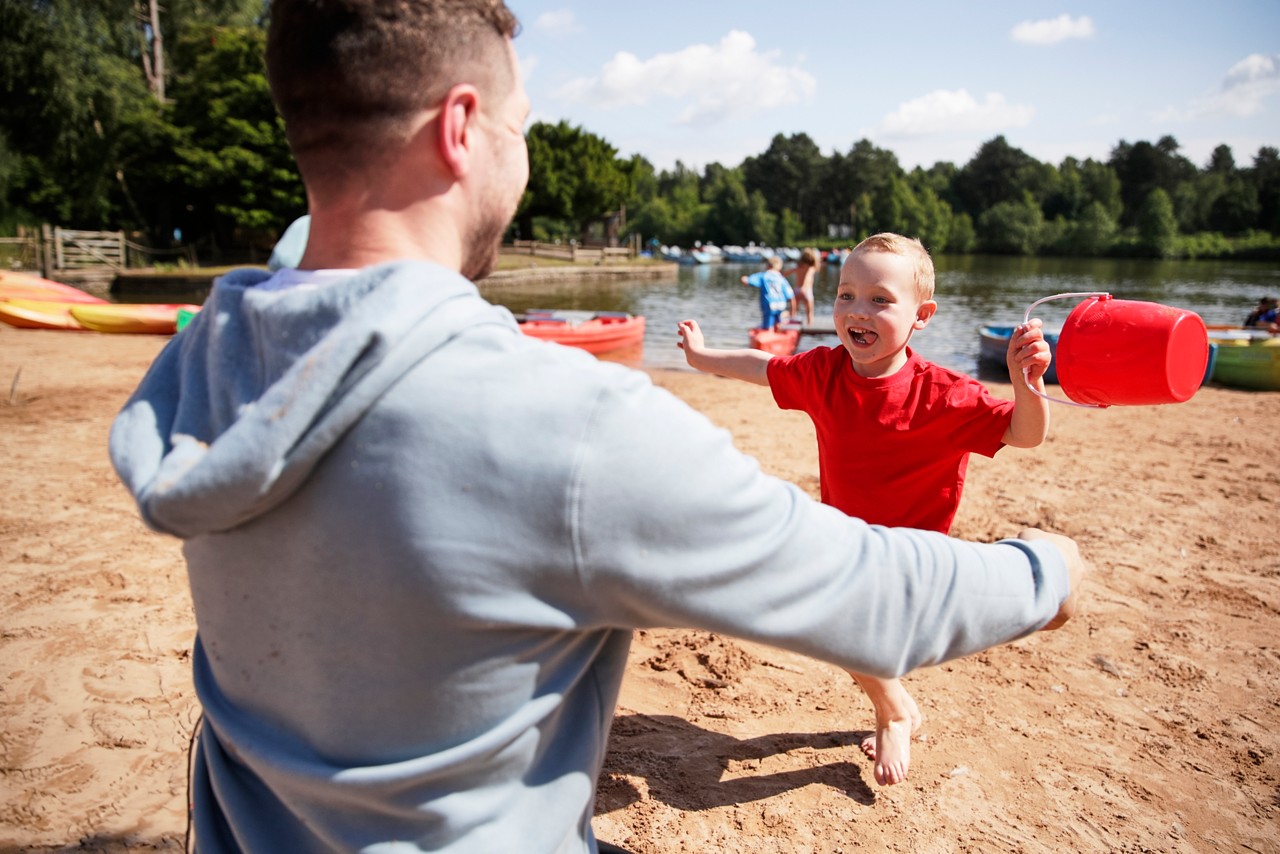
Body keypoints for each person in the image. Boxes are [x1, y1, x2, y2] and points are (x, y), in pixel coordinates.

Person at [108, 3, 1084, 850]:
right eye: (520, 126)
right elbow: (876, 604)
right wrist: (1044, 569)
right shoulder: (570, 428)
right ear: (461, 127)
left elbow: (309, 256)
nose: (524, 158)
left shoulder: (204, 364)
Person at [677, 232, 1053, 787]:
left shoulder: (945, 395)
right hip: (848, 546)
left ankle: (896, 711)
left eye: (880, 300)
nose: (858, 310)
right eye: (847, 295)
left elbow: (1024, 435)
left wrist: (1028, 383)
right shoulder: (824, 372)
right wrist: (702, 355)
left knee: (849, 632)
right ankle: (896, 707)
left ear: (922, 316)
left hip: (916, 557)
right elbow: (761, 366)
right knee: (831, 621)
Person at [742, 255, 796, 330]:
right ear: (779, 267)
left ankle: (768, 334)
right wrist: (792, 314)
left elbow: (748, 281)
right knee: (777, 323)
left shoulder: (763, 276)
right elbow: (791, 297)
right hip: (781, 304)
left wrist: (744, 279)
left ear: (767, 266)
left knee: (768, 327)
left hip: (770, 304)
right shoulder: (781, 279)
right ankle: (778, 334)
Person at [782, 247, 820, 327]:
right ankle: (810, 326)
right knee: (809, 312)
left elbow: (785, 274)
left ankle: (784, 319)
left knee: (793, 311)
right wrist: (804, 287)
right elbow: (808, 277)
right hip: (806, 291)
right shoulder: (811, 268)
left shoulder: (798, 267)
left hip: (797, 290)